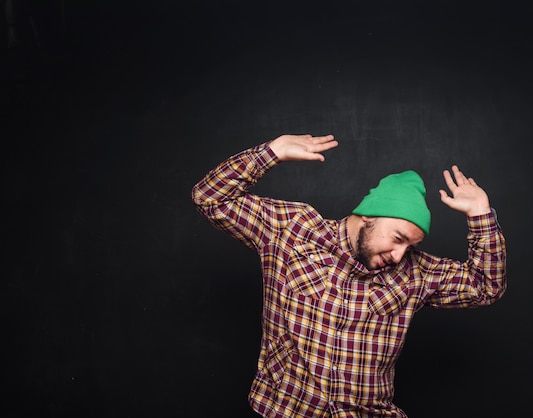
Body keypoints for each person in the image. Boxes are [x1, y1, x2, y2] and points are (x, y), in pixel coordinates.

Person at [191, 134, 507, 417]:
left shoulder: (415, 271)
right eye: (398, 238)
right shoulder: (293, 230)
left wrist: (481, 215)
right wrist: (270, 153)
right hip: (286, 409)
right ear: (367, 214)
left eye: (411, 245)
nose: (400, 255)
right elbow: (210, 198)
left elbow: (486, 287)